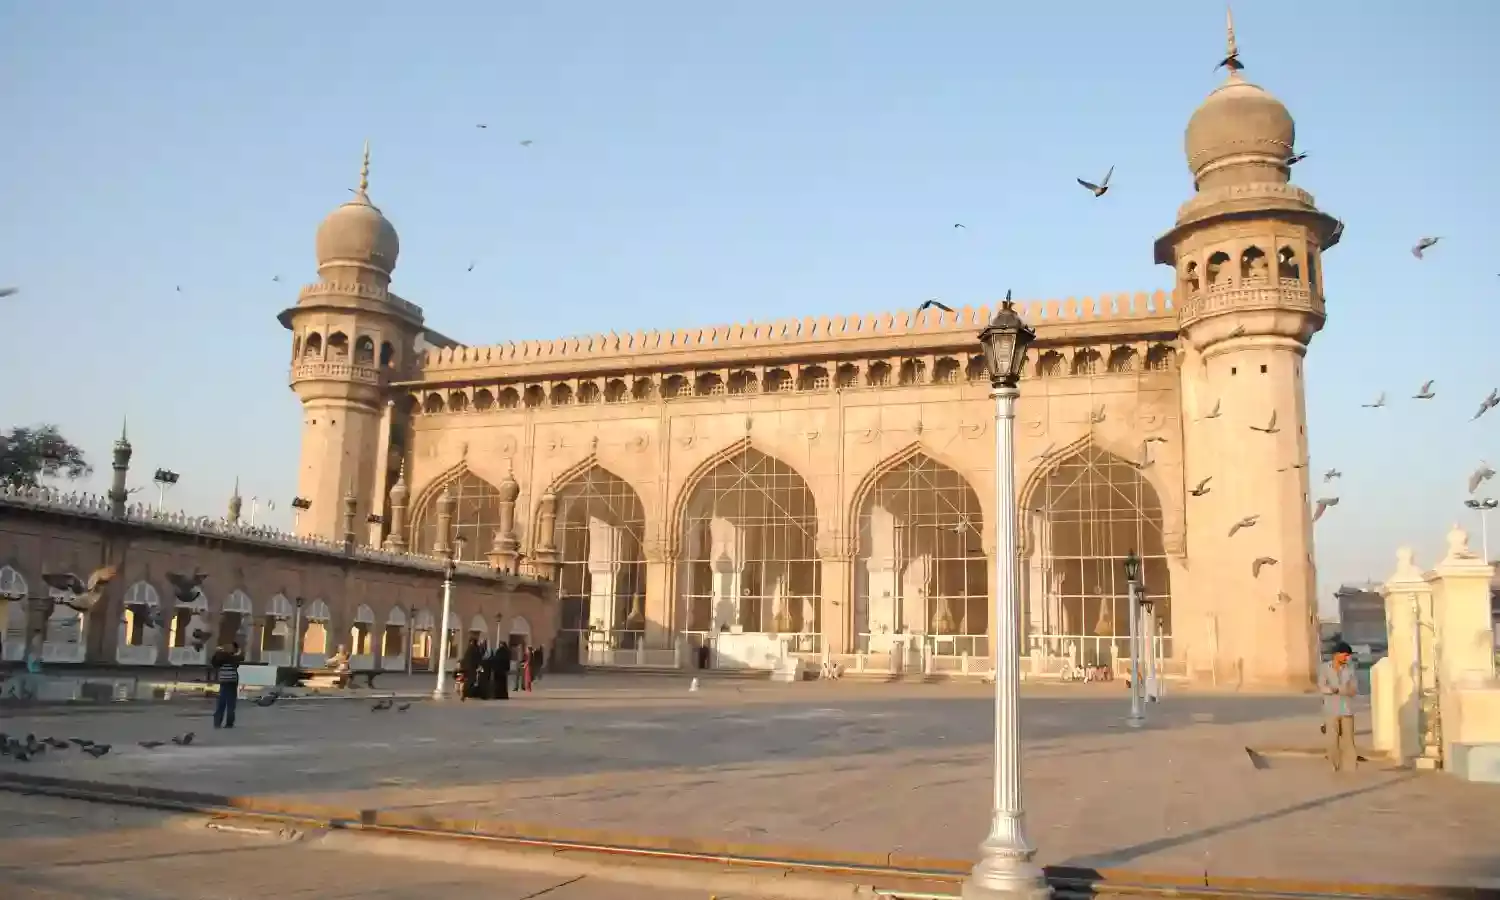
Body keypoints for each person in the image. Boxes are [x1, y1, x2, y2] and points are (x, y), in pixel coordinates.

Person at [1318, 641, 1359, 772]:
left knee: (1349, 742)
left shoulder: (1350, 669)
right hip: (1331, 710)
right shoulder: (1325, 668)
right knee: (1332, 741)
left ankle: (1351, 769)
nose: (1347, 658)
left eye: (1348, 656)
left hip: (1346, 709)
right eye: (1345, 655)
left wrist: (1338, 689)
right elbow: (1322, 687)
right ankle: (1334, 767)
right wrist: (1336, 690)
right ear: (1337, 654)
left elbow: (1353, 690)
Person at [209, 641, 244, 729]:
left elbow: (214, 662)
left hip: (226, 682)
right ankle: (228, 723)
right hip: (230, 682)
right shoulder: (232, 657)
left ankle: (218, 722)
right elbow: (238, 659)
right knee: (229, 704)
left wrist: (218, 652)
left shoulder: (224, 656)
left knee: (222, 703)